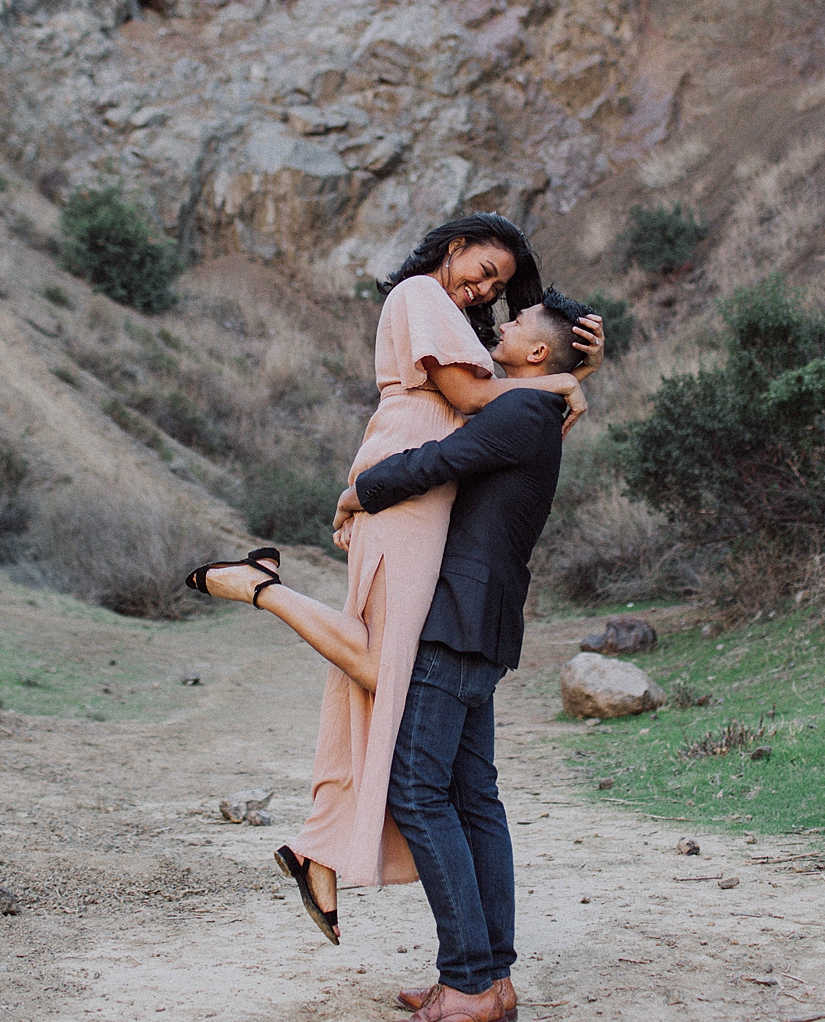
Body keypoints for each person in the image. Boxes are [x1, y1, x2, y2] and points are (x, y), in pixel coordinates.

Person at [195, 216, 603, 944]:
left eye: (501, 287)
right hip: (406, 480)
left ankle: (320, 845)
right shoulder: (420, 293)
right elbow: (486, 402)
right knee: (391, 670)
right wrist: (565, 377)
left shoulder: (464, 329)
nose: (486, 289)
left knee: (392, 677)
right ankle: (261, 587)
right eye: (481, 270)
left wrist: (561, 376)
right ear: (453, 248)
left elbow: (519, 433)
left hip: (421, 489)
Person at [335, 288, 594, 1022]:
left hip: (456, 616)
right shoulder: (535, 409)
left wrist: (359, 490)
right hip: (482, 615)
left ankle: (468, 985)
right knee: (472, 794)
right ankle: (493, 974)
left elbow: (438, 462)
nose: (498, 327)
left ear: (537, 354)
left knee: (418, 790)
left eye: (512, 325)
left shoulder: (517, 412)